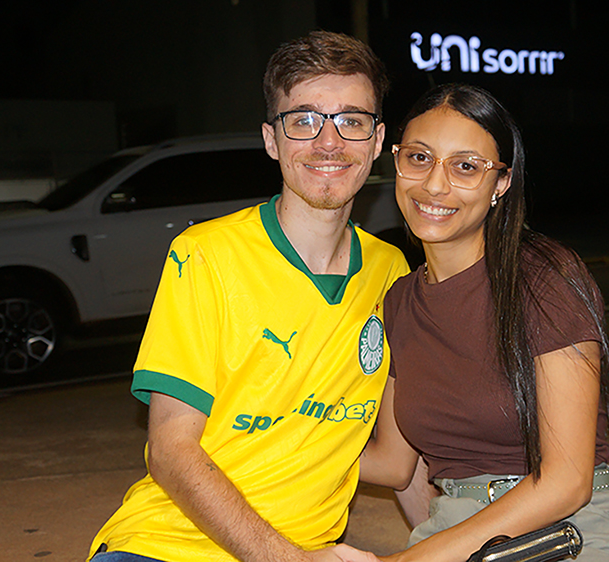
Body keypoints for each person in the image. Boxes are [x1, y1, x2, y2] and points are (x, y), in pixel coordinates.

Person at [88, 31, 409, 562]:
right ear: (271, 139)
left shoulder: (390, 272)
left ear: (376, 142)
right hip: (165, 547)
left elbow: (397, 463)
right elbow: (170, 450)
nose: (329, 142)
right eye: (303, 120)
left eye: (351, 121)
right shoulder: (205, 255)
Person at [360, 83, 609, 562]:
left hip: (569, 530)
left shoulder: (543, 278)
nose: (434, 185)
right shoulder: (399, 303)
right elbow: (393, 464)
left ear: (501, 183)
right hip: (455, 530)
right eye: (419, 158)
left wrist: (408, 560)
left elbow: (567, 481)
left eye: (465, 167)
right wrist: (262, 437)